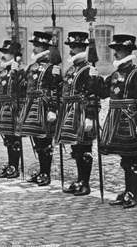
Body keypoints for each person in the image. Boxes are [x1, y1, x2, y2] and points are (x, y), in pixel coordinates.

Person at [91, 34, 137, 209]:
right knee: (125, 158)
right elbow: (104, 93)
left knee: (134, 157)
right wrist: (94, 78)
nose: (115, 54)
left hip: (130, 122)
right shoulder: (115, 74)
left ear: (128, 52)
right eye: (115, 51)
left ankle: (132, 194)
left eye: (119, 51)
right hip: (116, 122)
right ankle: (127, 191)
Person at [55, 32, 99, 196]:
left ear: (83, 48)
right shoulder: (71, 69)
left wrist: (90, 117)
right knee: (76, 149)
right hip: (69, 112)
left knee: (85, 148)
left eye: (75, 47)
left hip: (82, 112)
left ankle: (85, 183)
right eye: (71, 47)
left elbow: (93, 95)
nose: (71, 50)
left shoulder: (89, 70)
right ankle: (79, 180)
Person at [17, 31, 61, 186]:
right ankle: (41, 171)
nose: (33, 48)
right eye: (34, 45)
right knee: (36, 140)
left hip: (43, 106)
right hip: (31, 106)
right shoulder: (32, 66)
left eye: (37, 45)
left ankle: (46, 173)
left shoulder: (52, 68)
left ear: (44, 48)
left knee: (45, 140)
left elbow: (55, 89)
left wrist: (52, 109)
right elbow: (23, 86)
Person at [0, 40, 26, 179]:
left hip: (14, 108)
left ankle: (15, 167)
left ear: (16, 56)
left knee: (14, 138)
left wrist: (17, 73)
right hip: (2, 109)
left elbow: (22, 91)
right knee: (7, 138)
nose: (3, 56)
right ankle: (11, 164)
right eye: (3, 52)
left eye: (7, 53)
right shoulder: (2, 72)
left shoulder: (20, 71)